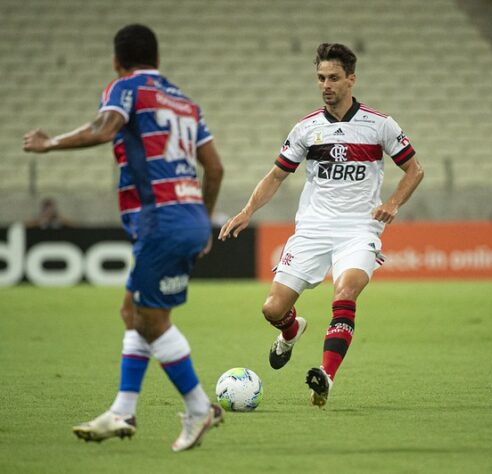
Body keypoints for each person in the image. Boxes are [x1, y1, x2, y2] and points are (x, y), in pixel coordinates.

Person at [22, 24, 225, 451]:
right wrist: (202, 221)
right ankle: (123, 410)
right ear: (157, 58)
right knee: (132, 310)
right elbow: (216, 168)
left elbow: (103, 128)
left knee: (153, 322)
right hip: (187, 215)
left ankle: (199, 407)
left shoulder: (125, 88)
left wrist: (51, 144)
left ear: (118, 60)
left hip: (160, 218)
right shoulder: (186, 102)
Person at [219, 43, 424, 407]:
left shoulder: (379, 125)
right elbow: (276, 176)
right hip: (313, 229)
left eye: (333, 78)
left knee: (345, 294)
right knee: (272, 310)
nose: (326, 85)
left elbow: (415, 169)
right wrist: (248, 209)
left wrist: (393, 203)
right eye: (320, 78)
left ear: (351, 79)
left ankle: (325, 376)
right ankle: (291, 330)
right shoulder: (306, 129)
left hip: (360, 229)